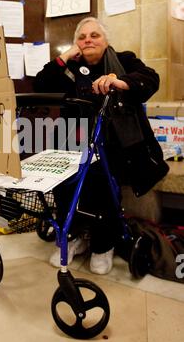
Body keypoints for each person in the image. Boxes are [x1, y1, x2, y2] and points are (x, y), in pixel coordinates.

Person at [34, 17, 169, 274]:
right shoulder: (68, 69)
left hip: (115, 144)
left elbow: (151, 79)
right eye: (82, 37)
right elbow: (41, 84)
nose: (88, 40)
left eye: (94, 35)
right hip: (72, 143)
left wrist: (120, 81)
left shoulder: (124, 60)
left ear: (106, 41)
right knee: (64, 185)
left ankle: (103, 243)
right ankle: (74, 236)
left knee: (102, 179)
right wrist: (65, 56)